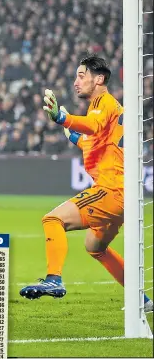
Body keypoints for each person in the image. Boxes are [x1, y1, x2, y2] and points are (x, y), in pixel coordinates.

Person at [19, 55, 153, 313]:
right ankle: (142, 300)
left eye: (81, 75)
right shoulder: (105, 114)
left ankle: (54, 279)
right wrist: (67, 126)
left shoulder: (105, 103)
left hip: (111, 190)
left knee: (52, 220)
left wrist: (63, 118)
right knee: (95, 246)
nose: (75, 82)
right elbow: (88, 138)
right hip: (124, 195)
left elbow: (90, 126)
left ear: (99, 78)